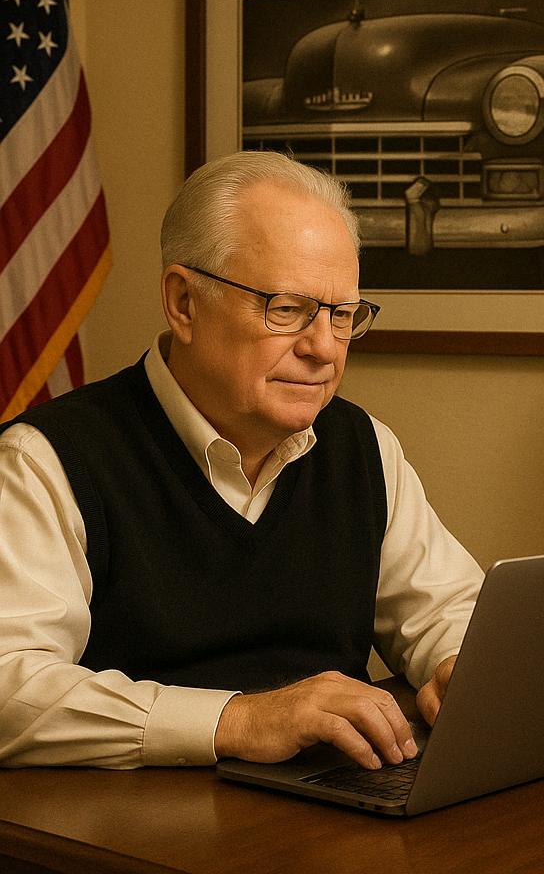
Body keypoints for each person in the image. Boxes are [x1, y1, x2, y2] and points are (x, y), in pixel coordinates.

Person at [0, 151, 484, 771]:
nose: (322, 350)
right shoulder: (47, 461)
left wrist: (458, 662)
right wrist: (236, 720)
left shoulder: (363, 448)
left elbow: (447, 609)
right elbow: (12, 692)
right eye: (287, 309)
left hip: (333, 819)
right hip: (134, 836)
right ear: (184, 303)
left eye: (341, 316)